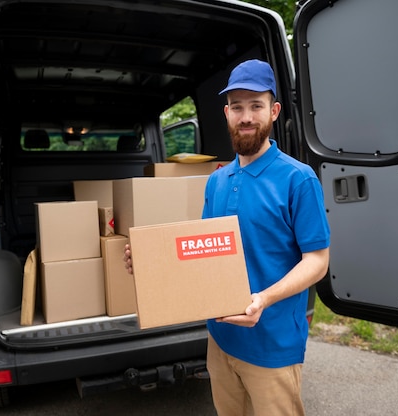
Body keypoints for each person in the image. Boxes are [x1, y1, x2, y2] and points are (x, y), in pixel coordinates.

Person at [125, 59, 330, 416]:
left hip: (272, 347)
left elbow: (317, 261)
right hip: (220, 342)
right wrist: (148, 265)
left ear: (274, 111)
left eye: (256, 106)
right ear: (227, 113)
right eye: (237, 107)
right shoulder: (217, 180)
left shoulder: (299, 179)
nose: (246, 116)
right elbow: (203, 255)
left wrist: (263, 299)